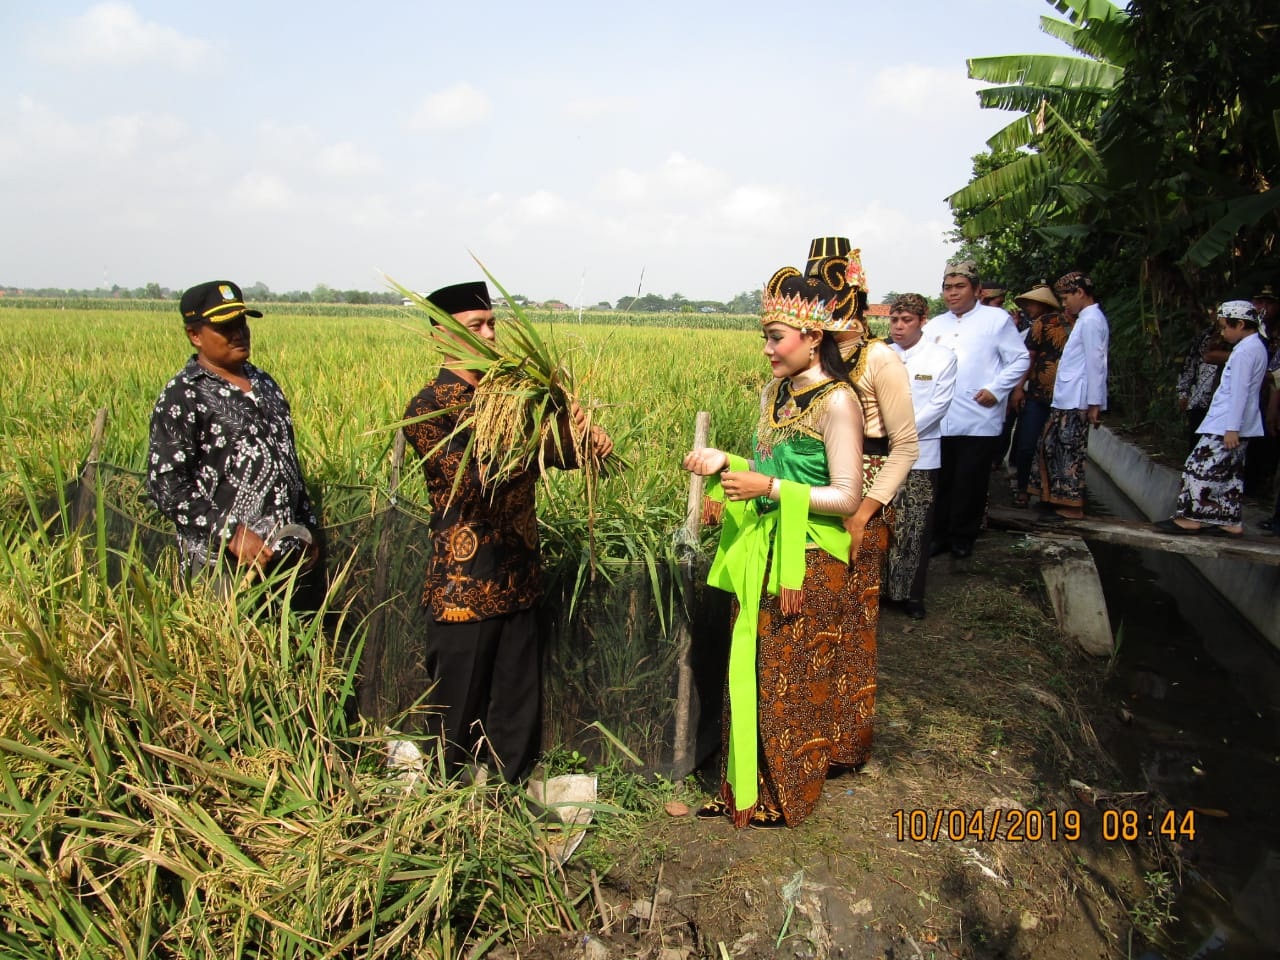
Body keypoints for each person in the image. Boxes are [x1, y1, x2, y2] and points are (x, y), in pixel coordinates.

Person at [402, 281, 611, 784]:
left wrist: (581, 438)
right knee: (455, 716)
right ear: (442, 337)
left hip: (518, 579)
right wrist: (540, 434)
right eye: (476, 326)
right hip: (464, 589)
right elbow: (472, 483)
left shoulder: (509, 399)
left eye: (492, 323)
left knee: (515, 713)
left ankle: (504, 805)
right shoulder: (429, 407)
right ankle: (444, 813)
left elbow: (556, 455)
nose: (490, 335)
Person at [683, 265, 864, 828]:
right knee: (748, 666)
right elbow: (762, 470)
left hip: (807, 559)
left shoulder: (838, 402)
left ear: (813, 338)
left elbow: (847, 495)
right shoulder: (774, 393)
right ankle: (743, 783)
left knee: (790, 676)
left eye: (776, 337)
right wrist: (727, 464)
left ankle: (789, 792)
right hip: (760, 548)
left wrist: (772, 488)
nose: (767, 349)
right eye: (765, 336)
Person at [147, 281, 322, 598]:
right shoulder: (184, 395)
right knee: (235, 645)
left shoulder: (264, 383)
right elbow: (166, 486)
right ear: (195, 335)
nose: (238, 333)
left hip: (285, 560)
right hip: (225, 568)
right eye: (225, 327)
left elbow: (288, 464)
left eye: (241, 323)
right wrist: (230, 532)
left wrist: (308, 528)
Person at [927, 260, 1030, 557]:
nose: (952, 294)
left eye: (960, 287)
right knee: (941, 479)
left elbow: (1020, 359)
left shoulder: (995, 320)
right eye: (947, 288)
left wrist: (997, 389)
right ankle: (940, 534)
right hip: (940, 416)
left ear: (977, 290)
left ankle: (963, 536)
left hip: (978, 415)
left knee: (970, 479)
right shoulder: (936, 325)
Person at [1157, 301, 1268, 538]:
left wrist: (1231, 428)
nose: (1222, 332)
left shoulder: (1245, 352)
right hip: (1239, 424)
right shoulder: (1255, 347)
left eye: (1225, 327)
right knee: (1230, 474)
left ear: (1239, 324)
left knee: (1197, 468)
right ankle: (1229, 520)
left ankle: (1190, 518)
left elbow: (1239, 392)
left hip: (1227, 424)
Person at [883, 294, 957, 620]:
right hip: (880, 452)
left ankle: (911, 595)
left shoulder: (941, 357)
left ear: (923, 319)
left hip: (920, 453)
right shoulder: (879, 354)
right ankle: (882, 590)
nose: (899, 327)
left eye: (906, 320)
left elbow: (938, 406)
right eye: (894, 320)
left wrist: (902, 432)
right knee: (883, 523)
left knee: (915, 525)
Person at [1036, 271, 1110, 521]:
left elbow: (1096, 363)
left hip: (1077, 398)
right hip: (1067, 397)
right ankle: (1054, 497)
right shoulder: (1087, 319)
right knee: (1051, 446)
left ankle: (1071, 505)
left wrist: (1095, 403)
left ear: (1080, 293)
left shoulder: (1091, 321)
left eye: (1066, 297)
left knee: (1069, 451)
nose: (1064, 303)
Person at [1008, 284, 1068, 506]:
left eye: (1031, 304)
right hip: (1057, 395)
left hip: (1044, 393)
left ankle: (1026, 491)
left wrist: (1018, 388)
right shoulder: (1063, 323)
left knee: (1029, 443)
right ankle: (1044, 493)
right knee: (1049, 446)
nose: (1027, 309)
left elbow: (1029, 358)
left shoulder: (1044, 324)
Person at [1176, 317, 1230, 453]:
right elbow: (1190, 364)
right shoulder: (1206, 336)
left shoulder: (1244, 344)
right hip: (1199, 398)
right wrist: (1183, 392)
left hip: (1224, 403)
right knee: (1196, 442)